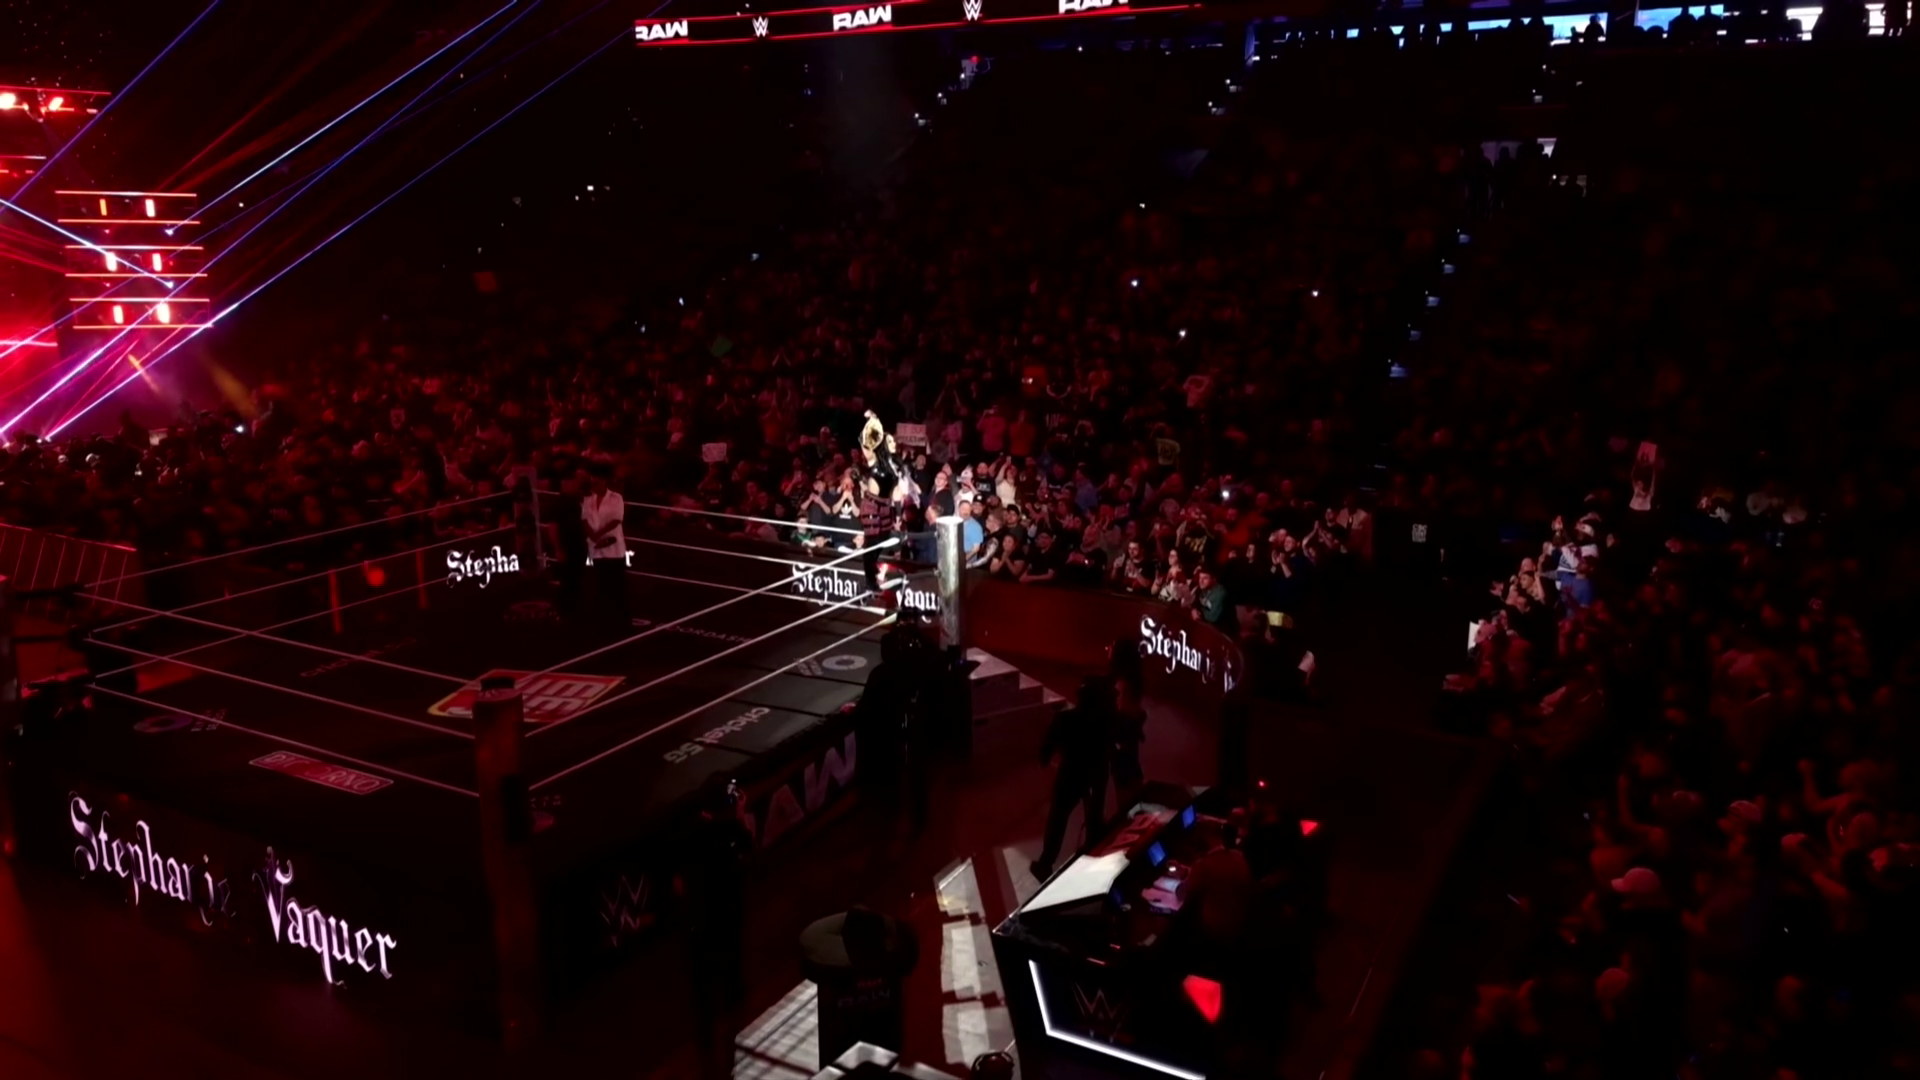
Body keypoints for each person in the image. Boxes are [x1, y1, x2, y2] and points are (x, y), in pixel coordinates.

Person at [677, 777, 752, 1080]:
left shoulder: (690, 832)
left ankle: (707, 1044)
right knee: (726, 981)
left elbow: (679, 882)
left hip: (700, 923)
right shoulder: (729, 832)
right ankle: (723, 1042)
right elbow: (748, 849)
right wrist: (740, 817)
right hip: (723, 921)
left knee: (704, 989)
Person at [1031, 676, 1116, 880]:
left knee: (1058, 818)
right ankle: (1094, 856)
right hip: (1096, 773)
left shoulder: (1065, 719)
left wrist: (1045, 760)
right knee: (1094, 816)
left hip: (1070, 775)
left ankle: (1046, 863)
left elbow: (1047, 749)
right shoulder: (1104, 721)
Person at [582, 467, 629, 625]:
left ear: (604, 482)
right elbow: (584, 518)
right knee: (601, 583)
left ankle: (620, 617)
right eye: (592, 483)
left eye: (596, 482)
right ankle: (604, 616)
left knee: (617, 584)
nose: (594, 486)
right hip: (596, 548)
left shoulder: (616, 498)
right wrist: (592, 535)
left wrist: (598, 533)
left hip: (614, 548)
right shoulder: (588, 499)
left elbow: (617, 519)